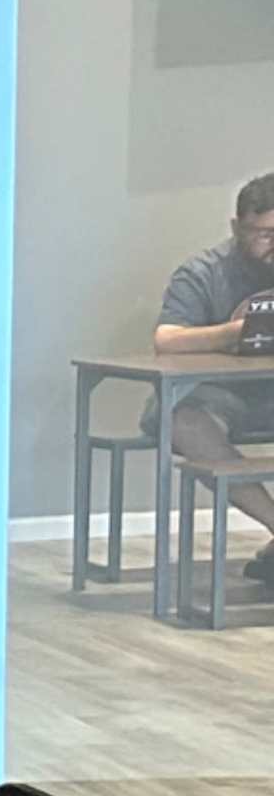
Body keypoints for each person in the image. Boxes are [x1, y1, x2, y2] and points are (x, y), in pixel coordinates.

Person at [154, 173, 274, 589]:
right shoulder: (203, 272)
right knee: (184, 421)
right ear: (236, 226)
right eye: (263, 234)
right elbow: (166, 340)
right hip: (217, 395)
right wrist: (232, 332)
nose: (272, 245)